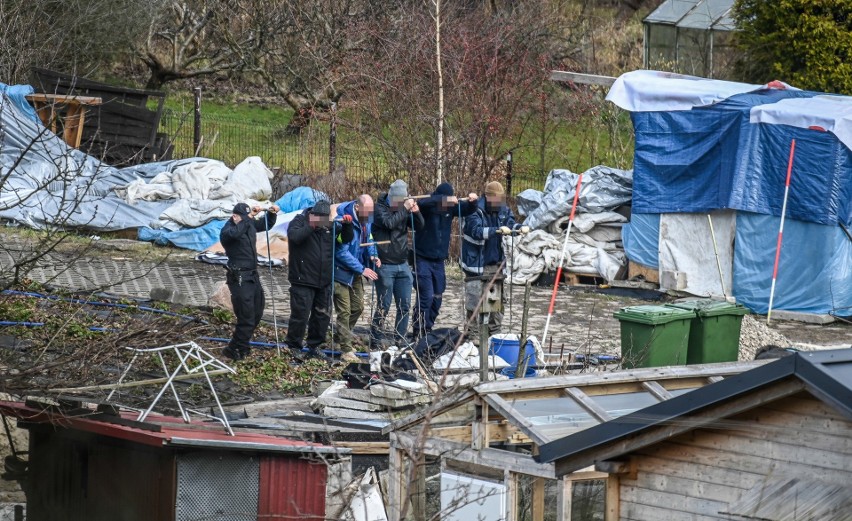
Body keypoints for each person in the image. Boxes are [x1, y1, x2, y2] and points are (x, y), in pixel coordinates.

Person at [285, 199, 353, 360]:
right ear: (313, 214)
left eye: (325, 218)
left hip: (324, 280)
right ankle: (293, 346)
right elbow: (295, 237)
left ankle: (314, 346)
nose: (323, 222)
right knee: (300, 314)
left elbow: (345, 239)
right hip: (302, 278)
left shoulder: (330, 226)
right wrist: (311, 225)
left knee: (322, 316)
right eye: (320, 218)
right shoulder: (299, 221)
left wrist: (348, 226)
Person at [411, 182, 478, 340]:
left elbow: (466, 210)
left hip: (439, 260)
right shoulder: (428, 206)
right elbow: (422, 202)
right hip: (422, 258)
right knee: (425, 296)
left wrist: (473, 202)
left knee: (437, 296)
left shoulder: (450, 209)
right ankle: (418, 331)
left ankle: (428, 327)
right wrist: (442, 198)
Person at [460, 181, 520, 341]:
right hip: (476, 265)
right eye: (496, 199)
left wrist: (517, 228)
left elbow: (510, 222)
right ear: (487, 197)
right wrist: (497, 230)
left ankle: (493, 336)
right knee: (475, 303)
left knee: (494, 303)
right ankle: (472, 338)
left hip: (495, 265)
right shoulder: (474, 210)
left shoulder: (503, 210)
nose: (498, 202)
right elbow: (476, 231)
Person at [219, 201, 279, 361]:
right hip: (238, 277)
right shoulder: (227, 231)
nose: (247, 220)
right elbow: (236, 233)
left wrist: (271, 214)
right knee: (246, 316)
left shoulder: (247, 223)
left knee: (257, 311)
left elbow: (264, 225)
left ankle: (242, 345)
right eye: (243, 218)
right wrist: (249, 217)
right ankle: (233, 348)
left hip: (252, 275)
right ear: (234, 216)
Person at [371, 179, 424, 347]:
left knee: (405, 305)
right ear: (391, 197)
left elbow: (420, 227)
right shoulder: (379, 208)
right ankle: (375, 338)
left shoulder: (404, 208)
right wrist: (405, 209)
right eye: (398, 201)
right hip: (385, 264)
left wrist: (416, 213)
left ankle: (399, 340)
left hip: (403, 263)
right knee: (384, 305)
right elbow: (389, 223)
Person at [334, 194, 379, 361]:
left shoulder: (366, 219)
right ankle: (345, 349)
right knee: (344, 311)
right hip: (340, 272)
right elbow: (341, 252)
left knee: (358, 307)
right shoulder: (343, 221)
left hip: (356, 272)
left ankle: (340, 336)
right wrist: (362, 269)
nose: (369, 215)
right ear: (357, 207)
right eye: (367, 211)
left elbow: (370, 240)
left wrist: (373, 255)